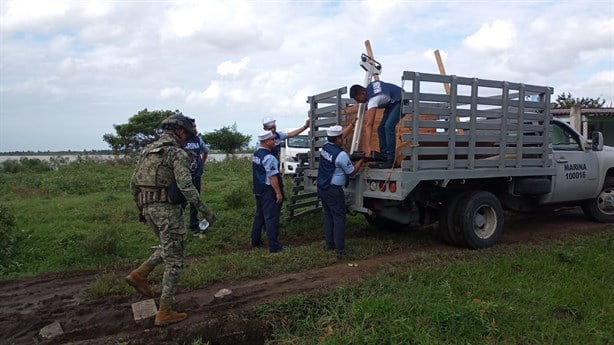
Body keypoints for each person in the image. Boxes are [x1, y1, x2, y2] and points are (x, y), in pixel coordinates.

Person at [126, 113, 217, 327]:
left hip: (149, 209)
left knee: (169, 246)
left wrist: (141, 209)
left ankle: (140, 274)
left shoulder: (148, 150)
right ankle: (164, 312)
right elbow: (186, 186)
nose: (187, 138)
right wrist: (205, 211)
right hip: (167, 211)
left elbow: (133, 184)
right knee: (175, 260)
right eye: (187, 134)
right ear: (181, 131)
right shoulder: (177, 153)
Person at [317, 125, 364, 255]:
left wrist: (353, 124)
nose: (343, 138)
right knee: (339, 217)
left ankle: (329, 243)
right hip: (333, 190)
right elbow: (352, 172)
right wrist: (361, 161)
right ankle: (340, 248)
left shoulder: (325, 147)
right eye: (341, 137)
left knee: (328, 215)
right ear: (337, 139)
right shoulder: (341, 155)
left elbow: (339, 137)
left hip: (322, 187)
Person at [349, 80, 403, 169]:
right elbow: (378, 80)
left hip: (400, 100)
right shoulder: (370, 86)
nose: (359, 102)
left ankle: (391, 160)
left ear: (363, 93)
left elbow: (369, 125)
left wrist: (368, 147)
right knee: (381, 128)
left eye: (358, 99)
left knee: (388, 126)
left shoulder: (373, 100)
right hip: (392, 103)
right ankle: (384, 157)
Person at [250, 130, 284, 253]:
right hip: (268, 191)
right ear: (266, 141)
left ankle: (255, 240)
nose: (274, 141)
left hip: (259, 189)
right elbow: (272, 177)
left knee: (259, 216)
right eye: (272, 139)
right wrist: (278, 192)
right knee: (271, 217)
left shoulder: (257, 154)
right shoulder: (269, 157)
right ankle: (274, 246)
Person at [183, 118, 209, 233]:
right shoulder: (181, 141)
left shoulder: (198, 139)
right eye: (193, 127)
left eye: (195, 126)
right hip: (183, 177)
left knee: (195, 199)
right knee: (181, 201)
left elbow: (205, 151)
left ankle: (193, 224)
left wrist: (201, 164)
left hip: (196, 175)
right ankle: (179, 225)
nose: (195, 129)